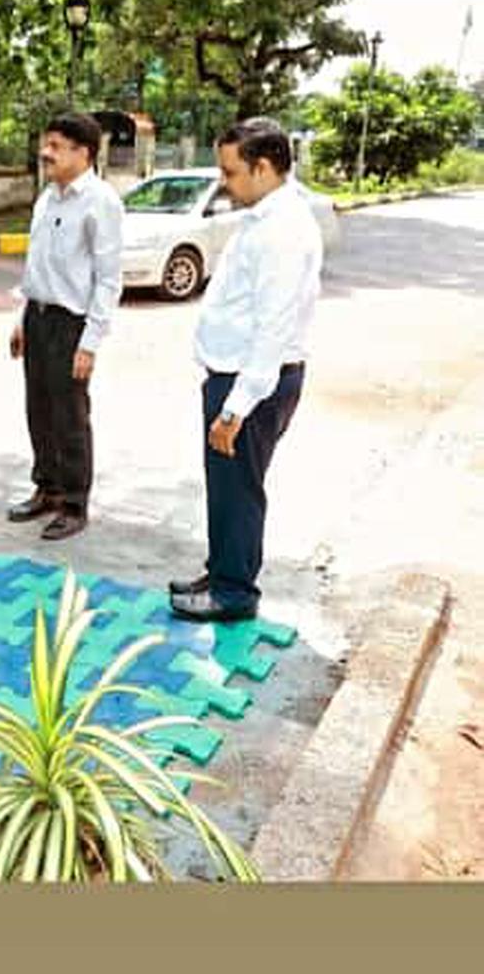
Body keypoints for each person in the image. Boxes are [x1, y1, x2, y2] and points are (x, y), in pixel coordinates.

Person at [169, 117, 323, 624]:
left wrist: (235, 408)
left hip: (251, 383)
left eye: (231, 173)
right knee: (226, 484)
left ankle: (235, 592)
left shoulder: (282, 231)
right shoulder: (264, 218)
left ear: (263, 167)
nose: (224, 183)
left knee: (239, 487)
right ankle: (223, 571)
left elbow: (272, 330)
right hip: (234, 376)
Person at [7, 111, 124, 542]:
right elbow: (36, 265)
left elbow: (109, 279)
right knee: (38, 409)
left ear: (83, 153)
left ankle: (74, 503)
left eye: (56, 146)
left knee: (70, 415)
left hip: (71, 323)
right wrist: (22, 318)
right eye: (47, 144)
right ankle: (47, 488)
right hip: (38, 317)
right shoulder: (47, 198)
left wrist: (90, 343)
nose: (45, 153)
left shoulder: (100, 202)